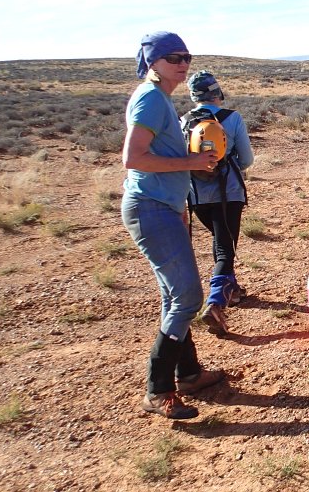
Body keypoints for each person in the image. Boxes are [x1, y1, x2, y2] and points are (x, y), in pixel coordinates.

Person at [122, 31, 224, 419]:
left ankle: (189, 374)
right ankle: (157, 389)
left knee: (173, 297)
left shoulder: (159, 97)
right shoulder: (150, 99)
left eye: (186, 56)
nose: (182, 63)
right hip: (150, 209)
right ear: (153, 62)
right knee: (186, 298)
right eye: (173, 57)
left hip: (162, 207)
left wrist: (179, 201)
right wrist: (192, 164)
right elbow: (134, 158)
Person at [182, 71, 254, 336]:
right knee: (225, 247)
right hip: (228, 194)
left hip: (196, 197)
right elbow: (246, 160)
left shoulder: (184, 121)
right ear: (217, 93)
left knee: (219, 241)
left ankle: (231, 290)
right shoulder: (231, 118)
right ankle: (215, 302)